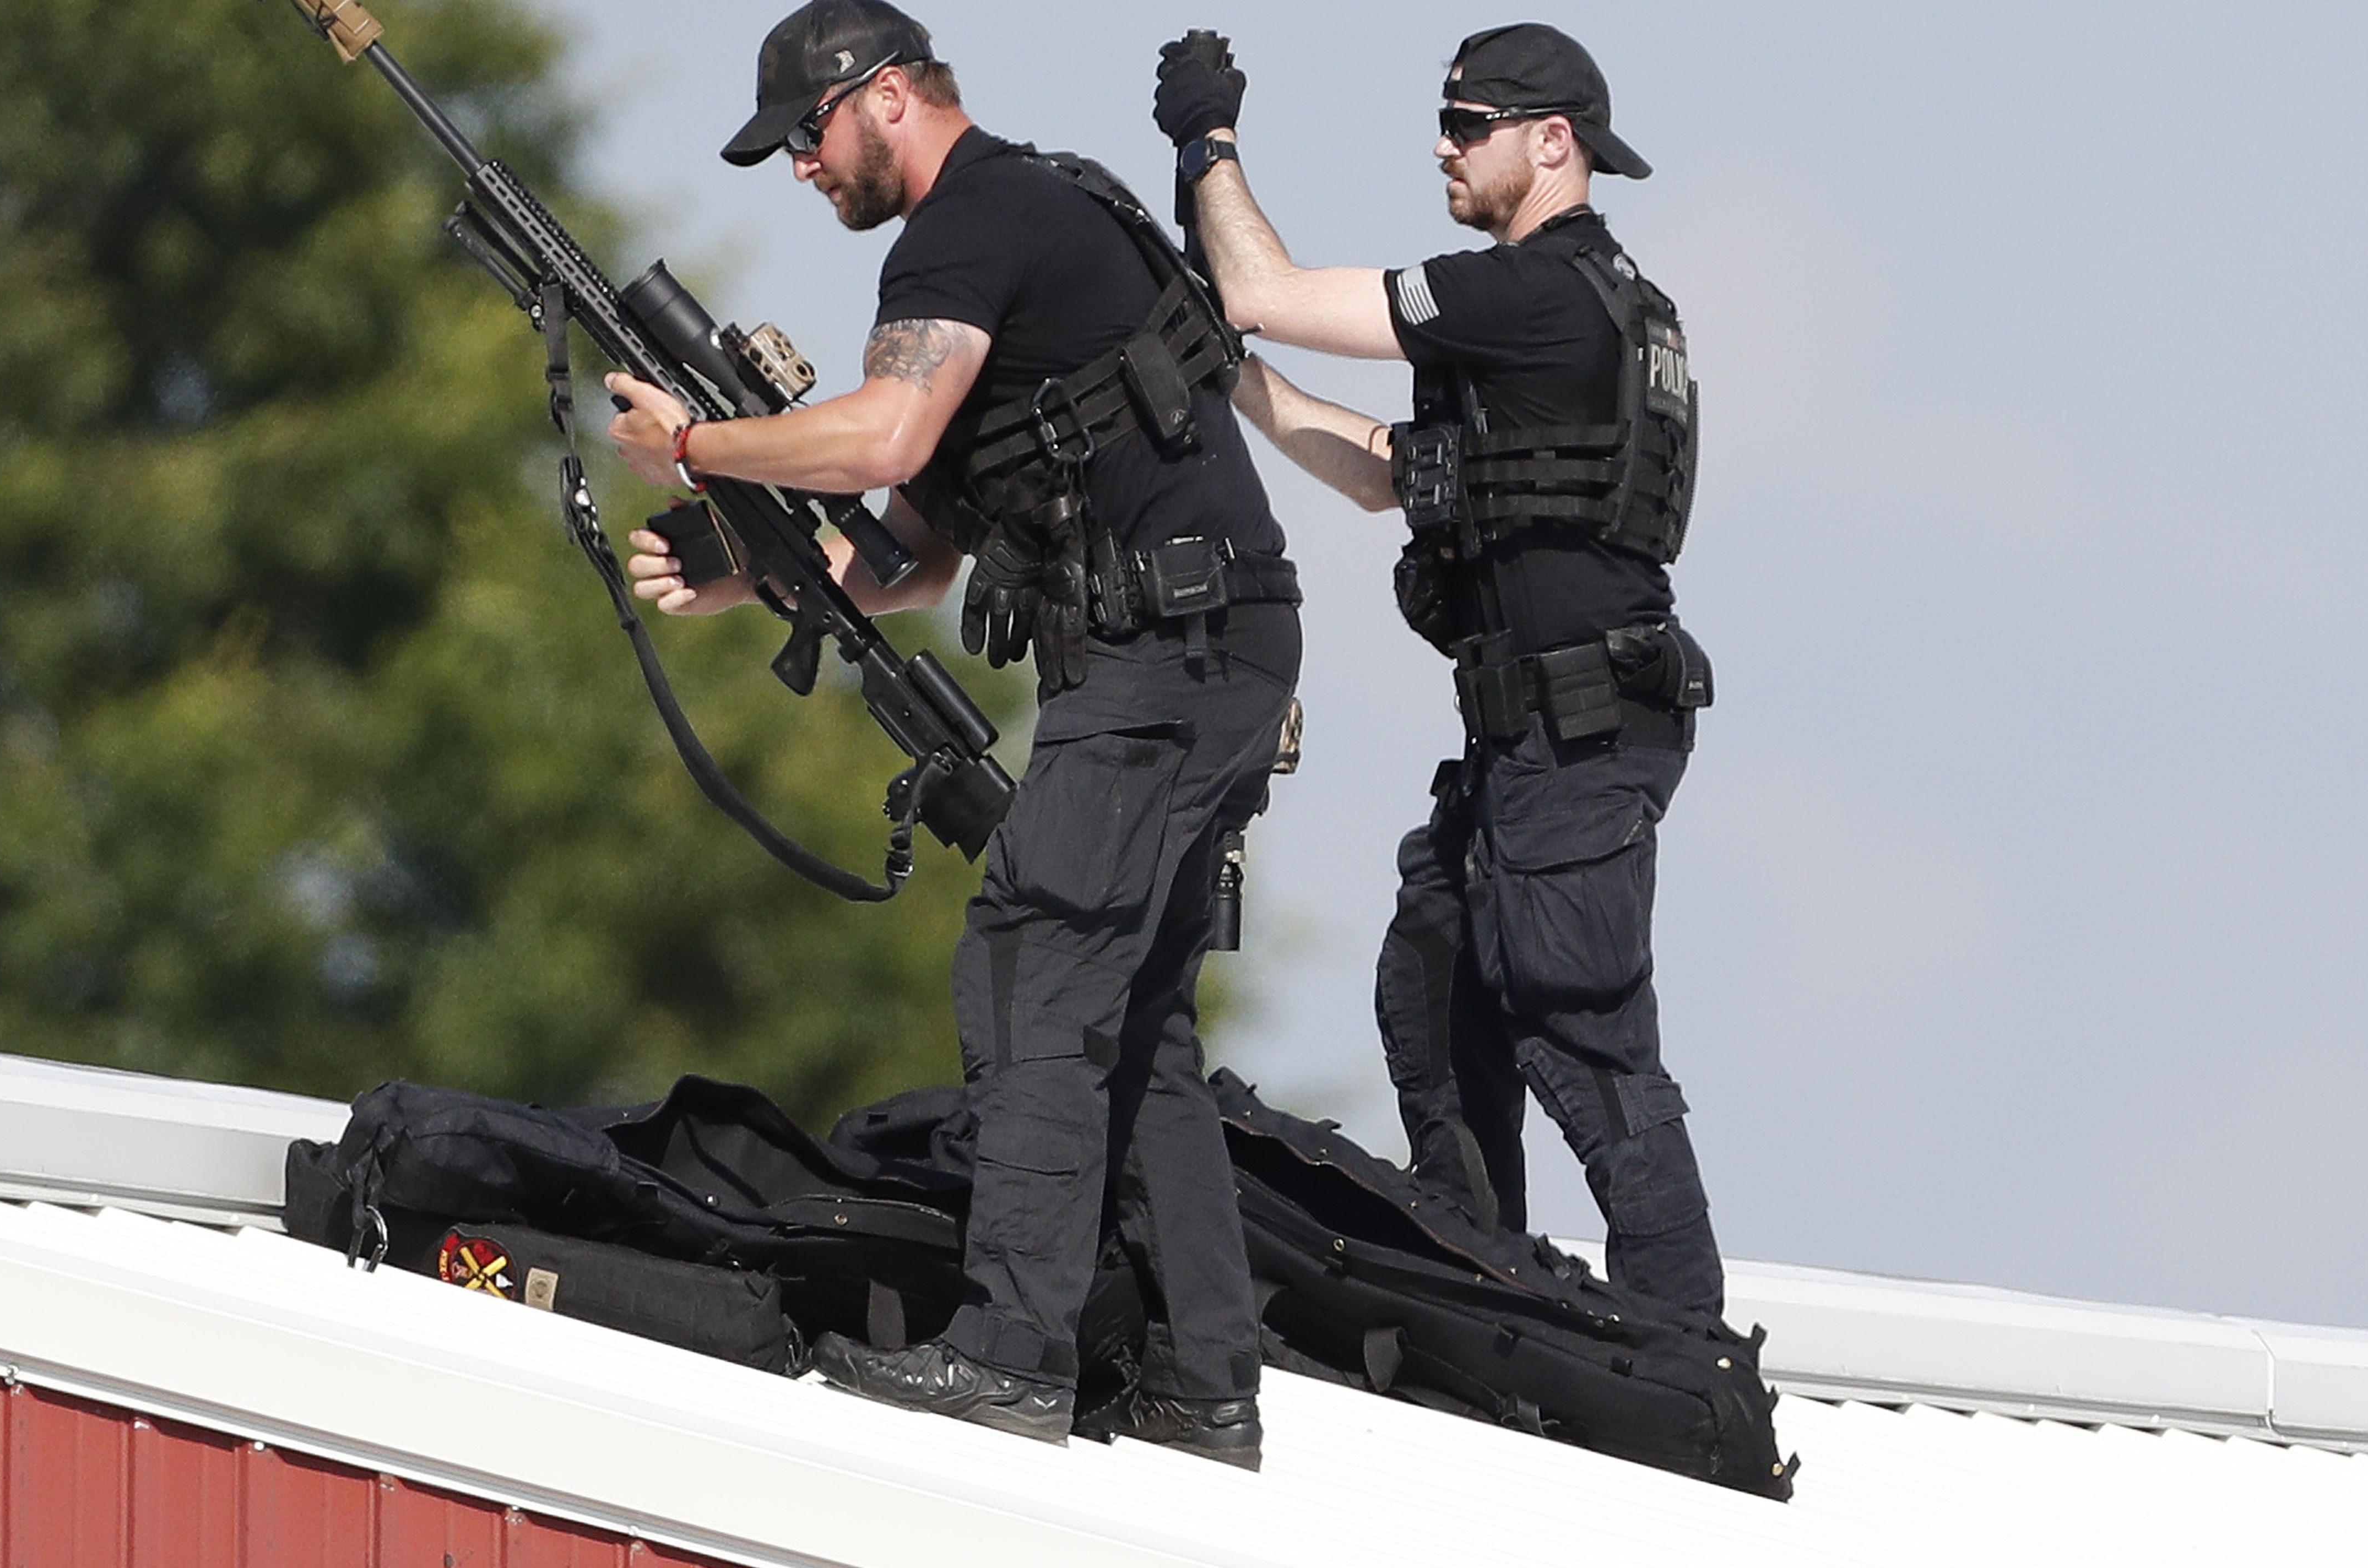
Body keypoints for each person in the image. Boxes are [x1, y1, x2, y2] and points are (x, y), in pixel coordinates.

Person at [608, 0, 1298, 1467]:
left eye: (805, 137)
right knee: (1137, 1018)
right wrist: (745, 566)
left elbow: (879, 439)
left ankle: (1009, 1355)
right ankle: (1202, 1379)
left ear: (880, 101)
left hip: (1163, 654)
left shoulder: (969, 224)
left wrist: (692, 443)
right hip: (1196, 645)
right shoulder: (1020, 224)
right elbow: (910, 548)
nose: (801, 170)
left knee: (1032, 963)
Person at [1151, 24, 1724, 1319]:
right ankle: (1490, 1294)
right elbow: (1379, 470)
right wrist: (1229, 373)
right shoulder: (1590, 312)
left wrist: (1208, 146)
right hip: (1542, 739)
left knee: (1580, 1035)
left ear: (1550, 141)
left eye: (1467, 125)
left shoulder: (1530, 294)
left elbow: (1262, 283)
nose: (1442, 145)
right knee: (1435, 990)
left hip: (1574, 736)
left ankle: (1684, 1348)